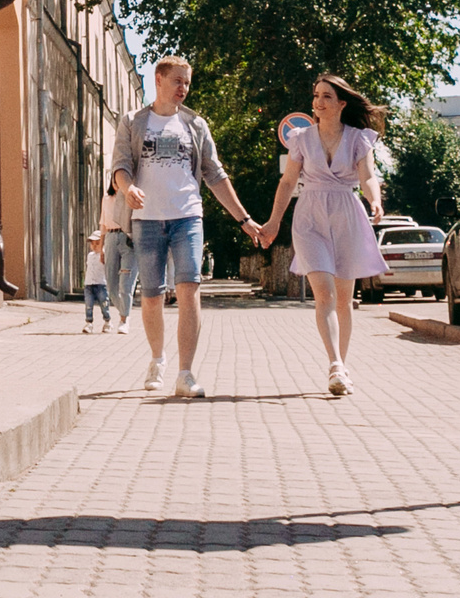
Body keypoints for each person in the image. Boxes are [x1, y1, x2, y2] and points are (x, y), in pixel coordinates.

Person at [107, 55, 256, 399]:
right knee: (152, 296)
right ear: (158, 80)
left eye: (187, 82)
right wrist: (128, 189)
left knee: (189, 289)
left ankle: (185, 374)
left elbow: (215, 174)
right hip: (146, 221)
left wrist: (244, 219)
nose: (183, 89)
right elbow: (120, 166)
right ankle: (157, 359)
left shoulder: (195, 125)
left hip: (187, 217)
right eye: (177, 81)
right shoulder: (133, 122)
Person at [249, 75, 385, 397]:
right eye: (316, 95)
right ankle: (335, 364)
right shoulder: (301, 138)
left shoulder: (359, 139)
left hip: (346, 215)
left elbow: (367, 177)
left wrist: (375, 200)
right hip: (309, 216)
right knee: (323, 293)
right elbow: (286, 183)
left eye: (326, 96)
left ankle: (342, 367)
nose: (318, 102)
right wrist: (273, 222)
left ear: (341, 103)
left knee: (343, 299)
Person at [96, 186, 136, 332]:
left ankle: (125, 319)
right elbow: (103, 223)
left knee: (126, 284)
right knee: (111, 285)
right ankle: (124, 311)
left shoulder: (130, 197)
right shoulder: (106, 199)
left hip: (128, 239)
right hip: (111, 238)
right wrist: (101, 248)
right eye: (115, 179)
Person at [81, 231, 113, 332]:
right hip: (89, 284)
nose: (94, 246)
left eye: (97, 243)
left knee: (104, 303)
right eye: (92, 244)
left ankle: (107, 321)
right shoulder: (90, 255)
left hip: (101, 284)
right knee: (88, 304)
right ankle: (89, 323)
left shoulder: (105, 255)